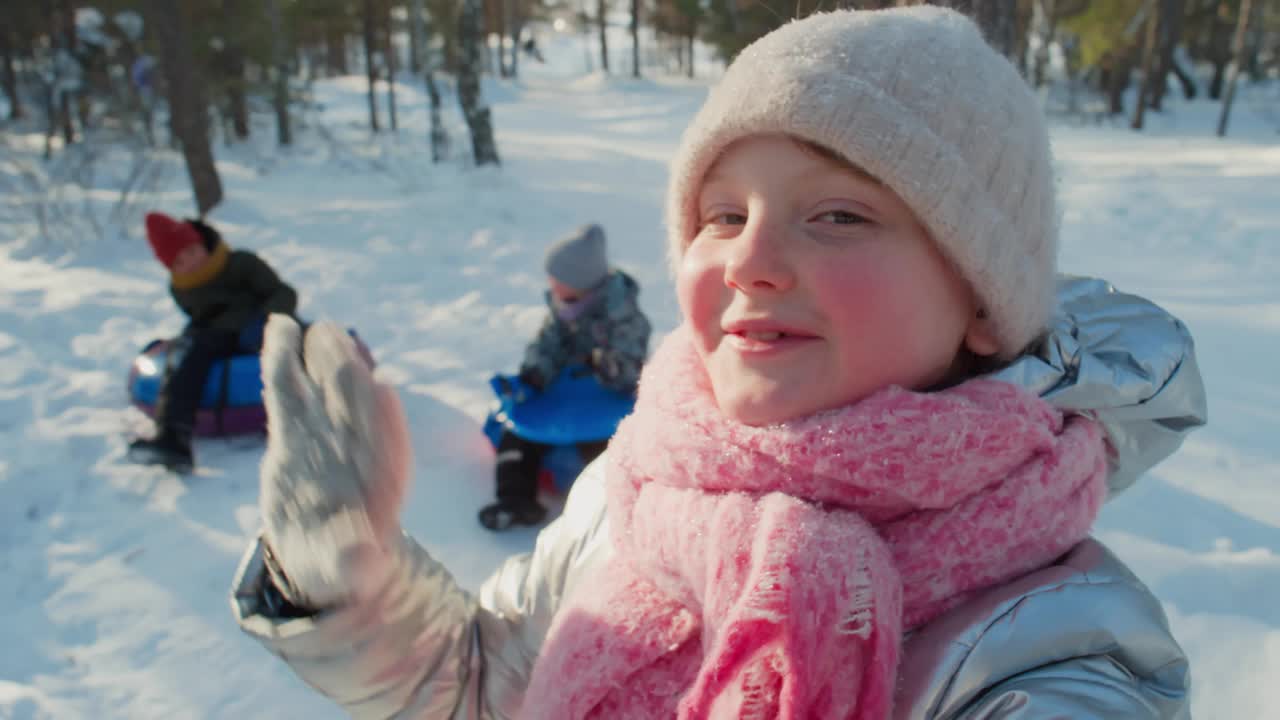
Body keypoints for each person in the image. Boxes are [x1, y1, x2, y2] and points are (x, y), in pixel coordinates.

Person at [231, 7, 1208, 719]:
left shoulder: (1051, 653)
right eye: (722, 214)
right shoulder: (641, 487)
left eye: (837, 215)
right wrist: (343, 581)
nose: (747, 258)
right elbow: (485, 687)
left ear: (983, 304)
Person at [479, 223, 651, 531]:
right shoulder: (563, 308)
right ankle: (515, 500)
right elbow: (547, 345)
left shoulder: (623, 315)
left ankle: (613, 511)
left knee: (607, 449)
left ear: (583, 283)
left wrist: (598, 361)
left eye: (558, 279)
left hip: (605, 399)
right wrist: (535, 375)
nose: (551, 284)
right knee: (517, 432)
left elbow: (629, 368)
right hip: (564, 393)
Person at [128, 212, 297, 472]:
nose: (192, 262)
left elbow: (283, 293)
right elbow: (203, 316)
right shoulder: (181, 288)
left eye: (193, 251)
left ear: (202, 244)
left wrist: (265, 321)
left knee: (198, 352)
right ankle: (174, 436)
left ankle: (175, 436)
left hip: (259, 326)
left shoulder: (240, 263)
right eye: (181, 261)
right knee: (182, 356)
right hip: (218, 334)